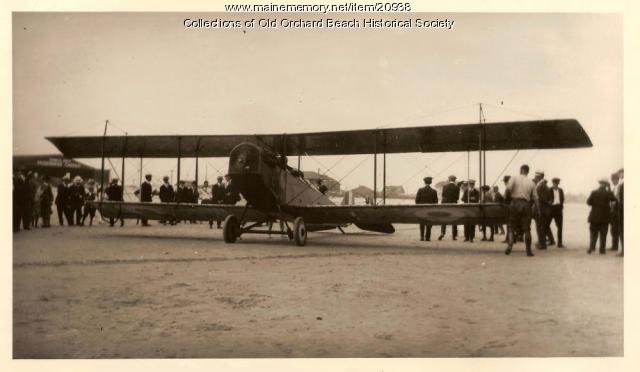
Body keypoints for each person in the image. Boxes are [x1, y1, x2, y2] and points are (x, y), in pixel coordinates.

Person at [505, 164, 536, 257]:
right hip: (526, 204)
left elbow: (508, 190)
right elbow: (535, 198)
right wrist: (537, 210)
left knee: (511, 226)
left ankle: (510, 245)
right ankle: (528, 251)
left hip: (514, 203)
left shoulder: (514, 178)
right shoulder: (531, 182)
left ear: (521, 170)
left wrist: (508, 199)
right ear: (527, 171)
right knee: (527, 229)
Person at [587, 178, 616, 254]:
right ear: (606, 185)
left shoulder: (594, 192)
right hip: (604, 217)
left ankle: (592, 247)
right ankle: (602, 250)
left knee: (593, 233)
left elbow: (588, 202)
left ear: (599, 184)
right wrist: (609, 189)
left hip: (594, 216)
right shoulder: (608, 193)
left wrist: (595, 204)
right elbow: (613, 199)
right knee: (603, 234)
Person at [532, 172, 552, 249]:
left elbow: (541, 199)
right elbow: (549, 199)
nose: (535, 178)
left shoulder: (541, 186)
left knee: (540, 227)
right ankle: (541, 243)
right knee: (541, 227)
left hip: (540, 210)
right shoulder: (544, 186)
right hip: (544, 210)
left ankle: (542, 244)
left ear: (539, 177)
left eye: (536, 176)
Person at [415, 177, 438, 241]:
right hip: (430, 210)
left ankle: (422, 237)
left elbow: (417, 200)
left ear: (424, 182)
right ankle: (427, 237)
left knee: (422, 223)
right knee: (429, 223)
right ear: (431, 182)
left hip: (421, 210)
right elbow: (436, 202)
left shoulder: (420, 190)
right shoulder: (434, 191)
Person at [439, 175, 459, 240]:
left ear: (449, 180)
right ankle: (454, 235)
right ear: (454, 180)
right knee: (454, 219)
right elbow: (457, 197)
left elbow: (443, 195)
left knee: (444, 219)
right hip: (453, 205)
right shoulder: (456, 187)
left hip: (445, 204)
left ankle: (442, 233)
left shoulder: (445, 187)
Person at [550, 177, 565, 248]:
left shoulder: (561, 190)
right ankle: (550, 240)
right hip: (551, 209)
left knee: (560, 227)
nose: (556, 184)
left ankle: (560, 243)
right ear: (553, 183)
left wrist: (561, 206)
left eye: (557, 183)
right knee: (546, 225)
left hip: (558, 209)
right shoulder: (549, 190)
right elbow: (547, 198)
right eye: (555, 183)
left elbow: (562, 199)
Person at [609, 172, 621, 251]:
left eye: (614, 179)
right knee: (613, 229)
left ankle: (615, 246)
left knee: (615, 229)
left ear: (617, 179)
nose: (613, 181)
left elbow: (616, 200)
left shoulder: (618, 188)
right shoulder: (614, 188)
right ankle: (614, 245)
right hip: (613, 211)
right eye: (612, 180)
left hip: (616, 211)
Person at [616, 169, 624, 257]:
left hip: (622, 210)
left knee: (622, 230)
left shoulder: (622, 185)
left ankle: (624, 251)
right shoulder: (621, 185)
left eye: (620, 173)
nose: (619, 175)